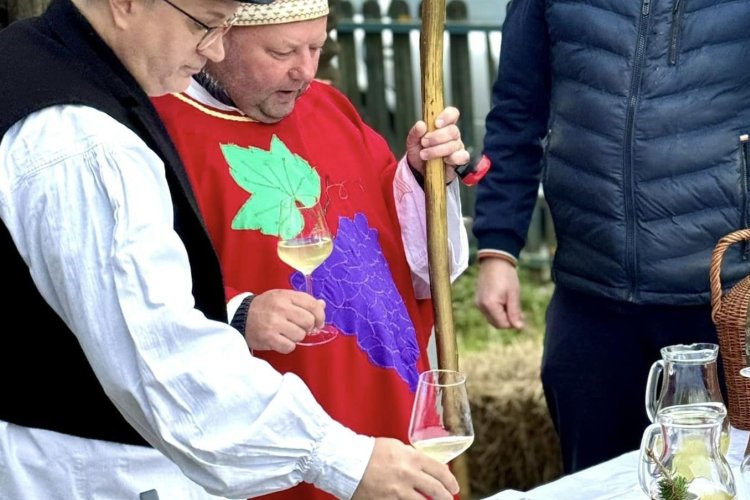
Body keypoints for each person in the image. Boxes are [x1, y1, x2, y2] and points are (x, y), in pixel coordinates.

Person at [0, 0, 460, 498]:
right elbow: (158, 349)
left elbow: (385, 247)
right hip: (106, 464)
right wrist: (340, 457)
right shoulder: (89, 137)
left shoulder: (44, 69)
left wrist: (420, 182)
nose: (212, 47)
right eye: (207, 26)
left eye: (316, 48)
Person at [473, 0, 750, 474]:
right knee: (594, 483)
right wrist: (498, 247)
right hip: (589, 302)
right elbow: (516, 113)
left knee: (715, 482)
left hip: (724, 306)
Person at [152, 0, 470, 497]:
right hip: (286, 429)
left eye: (316, 47)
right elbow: (141, 295)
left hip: (387, 408)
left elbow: (395, 249)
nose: (304, 71)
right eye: (282, 51)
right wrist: (237, 311)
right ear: (217, 37)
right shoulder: (159, 129)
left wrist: (421, 179)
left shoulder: (328, 105)